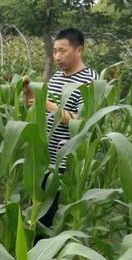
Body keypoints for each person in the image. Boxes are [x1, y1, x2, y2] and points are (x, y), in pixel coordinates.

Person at [24, 28, 98, 231]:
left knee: (45, 218)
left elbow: (84, 122)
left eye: (62, 51)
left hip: (63, 162)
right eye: (55, 51)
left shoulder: (90, 81)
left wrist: (50, 107)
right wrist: (33, 103)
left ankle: (42, 258)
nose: (57, 56)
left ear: (79, 50)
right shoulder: (57, 77)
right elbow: (47, 109)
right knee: (35, 211)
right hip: (44, 157)